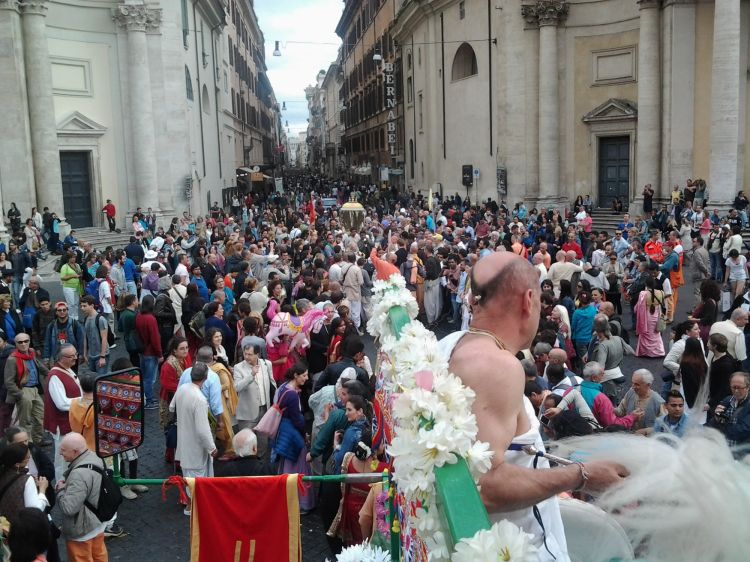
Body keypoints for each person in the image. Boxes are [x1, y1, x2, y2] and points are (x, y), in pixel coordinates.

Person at [440, 253, 628, 561]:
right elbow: (484, 487)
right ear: (529, 299)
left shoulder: (452, 343)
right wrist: (582, 475)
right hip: (514, 548)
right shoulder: (497, 366)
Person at [327, 426, 388, 547]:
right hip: (368, 510)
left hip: (350, 507)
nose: (384, 446)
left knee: (354, 542)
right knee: (365, 541)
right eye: (382, 443)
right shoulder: (383, 469)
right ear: (374, 448)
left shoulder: (348, 458)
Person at [170, 362, 218, 513]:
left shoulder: (182, 389)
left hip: (184, 444)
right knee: (197, 482)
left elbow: (172, 407)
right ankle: (195, 509)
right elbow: (203, 430)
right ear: (205, 378)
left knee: (188, 479)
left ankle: (190, 506)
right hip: (196, 449)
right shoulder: (200, 399)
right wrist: (212, 448)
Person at [56, 432, 108, 561]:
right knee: (99, 555)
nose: (60, 454)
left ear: (75, 452)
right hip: (97, 522)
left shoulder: (78, 475)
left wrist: (60, 491)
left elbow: (69, 508)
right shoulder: (95, 457)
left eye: (63, 451)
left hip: (82, 529)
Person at [273, 363, 314, 513]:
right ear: (296, 375)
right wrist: (305, 435)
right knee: (297, 467)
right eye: (304, 375)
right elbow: (298, 420)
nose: (306, 378)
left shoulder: (283, 387)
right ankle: (299, 502)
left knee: (286, 465)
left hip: (285, 433)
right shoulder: (292, 394)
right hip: (294, 435)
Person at [43, 344, 82, 481]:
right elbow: (62, 403)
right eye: (71, 356)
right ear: (61, 358)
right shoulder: (54, 376)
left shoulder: (68, 370)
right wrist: (83, 400)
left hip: (71, 424)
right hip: (62, 426)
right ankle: (61, 488)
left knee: (72, 458)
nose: (75, 358)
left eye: (75, 354)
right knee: (62, 461)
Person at [233, 343, 275, 461]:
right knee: (246, 444)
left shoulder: (267, 364)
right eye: (245, 354)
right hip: (247, 413)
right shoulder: (238, 367)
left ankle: (260, 468)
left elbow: (272, 383)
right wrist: (251, 375)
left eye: (250, 354)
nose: (246, 357)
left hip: (264, 409)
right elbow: (236, 387)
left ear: (257, 354)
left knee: (262, 443)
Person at [4, 334, 47, 445]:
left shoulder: (31, 353)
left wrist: (52, 373)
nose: (23, 344)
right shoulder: (12, 359)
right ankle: (28, 443)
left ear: (29, 341)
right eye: (20, 342)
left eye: (26, 341)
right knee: (25, 420)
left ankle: (38, 440)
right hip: (23, 389)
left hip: (35, 389)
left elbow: (39, 366)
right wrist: (20, 394)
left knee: (40, 416)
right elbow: (8, 381)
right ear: (16, 344)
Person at [159, 337, 191, 463]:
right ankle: (171, 456)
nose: (185, 351)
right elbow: (167, 385)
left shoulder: (186, 358)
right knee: (172, 429)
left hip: (183, 398)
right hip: (171, 400)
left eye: (187, 348)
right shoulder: (168, 365)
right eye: (182, 349)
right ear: (174, 351)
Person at [614, 369, 665, 434]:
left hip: (647, 442)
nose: (633, 387)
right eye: (632, 383)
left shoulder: (658, 402)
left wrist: (646, 431)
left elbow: (663, 427)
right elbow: (620, 412)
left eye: (637, 384)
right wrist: (608, 407)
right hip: (628, 437)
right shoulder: (630, 393)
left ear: (648, 385)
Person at [135, 295, 162, 409]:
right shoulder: (151, 319)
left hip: (142, 350)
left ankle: (146, 397)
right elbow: (155, 338)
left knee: (145, 376)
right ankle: (148, 399)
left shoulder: (139, 316)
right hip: (150, 353)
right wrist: (159, 354)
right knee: (150, 378)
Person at [711, 372, 750, 450]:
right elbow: (712, 423)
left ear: (748, 387)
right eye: (733, 387)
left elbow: (743, 431)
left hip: (741, 452)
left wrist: (721, 426)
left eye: (739, 387)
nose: (736, 391)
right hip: (723, 448)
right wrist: (716, 417)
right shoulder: (727, 400)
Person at [634, 275, 666, 358]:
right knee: (656, 333)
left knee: (646, 333)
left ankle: (646, 352)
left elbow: (639, 306)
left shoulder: (643, 294)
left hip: (647, 315)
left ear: (646, 284)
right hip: (657, 314)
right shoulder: (661, 292)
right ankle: (658, 351)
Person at [80, 296, 110, 375]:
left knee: (100, 380)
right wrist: (85, 353)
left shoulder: (100, 319)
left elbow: (104, 338)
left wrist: (102, 357)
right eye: (81, 306)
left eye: (84, 306)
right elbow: (86, 337)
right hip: (91, 355)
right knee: (93, 378)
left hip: (101, 355)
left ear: (92, 306)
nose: (82, 308)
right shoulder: (86, 319)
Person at [680, 337, 709, 409]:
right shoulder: (702, 361)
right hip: (703, 394)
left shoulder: (685, 363)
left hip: (690, 395)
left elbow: (690, 383)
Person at [59, 252, 82, 321]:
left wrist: (80, 274)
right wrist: (72, 276)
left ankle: (76, 318)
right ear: (68, 258)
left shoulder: (77, 265)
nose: (74, 259)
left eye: (74, 257)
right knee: (71, 304)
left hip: (77, 286)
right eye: (72, 257)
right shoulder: (64, 266)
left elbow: (80, 273)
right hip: (68, 287)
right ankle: (71, 318)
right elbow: (62, 277)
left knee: (76, 304)